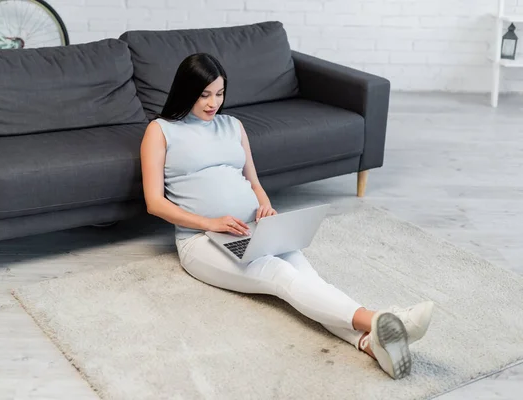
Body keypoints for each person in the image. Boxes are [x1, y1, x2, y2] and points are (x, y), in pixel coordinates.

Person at [140, 53, 434, 380]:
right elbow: (154, 202)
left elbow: (253, 182)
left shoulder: (232, 126)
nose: (213, 103)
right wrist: (211, 223)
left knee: (311, 282)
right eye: (204, 94)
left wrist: (264, 207)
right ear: (186, 91)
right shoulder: (160, 131)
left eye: (220, 93)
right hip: (201, 240)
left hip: (257, 228)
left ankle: (367, 341)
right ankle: (383, 319)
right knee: (280, 275)